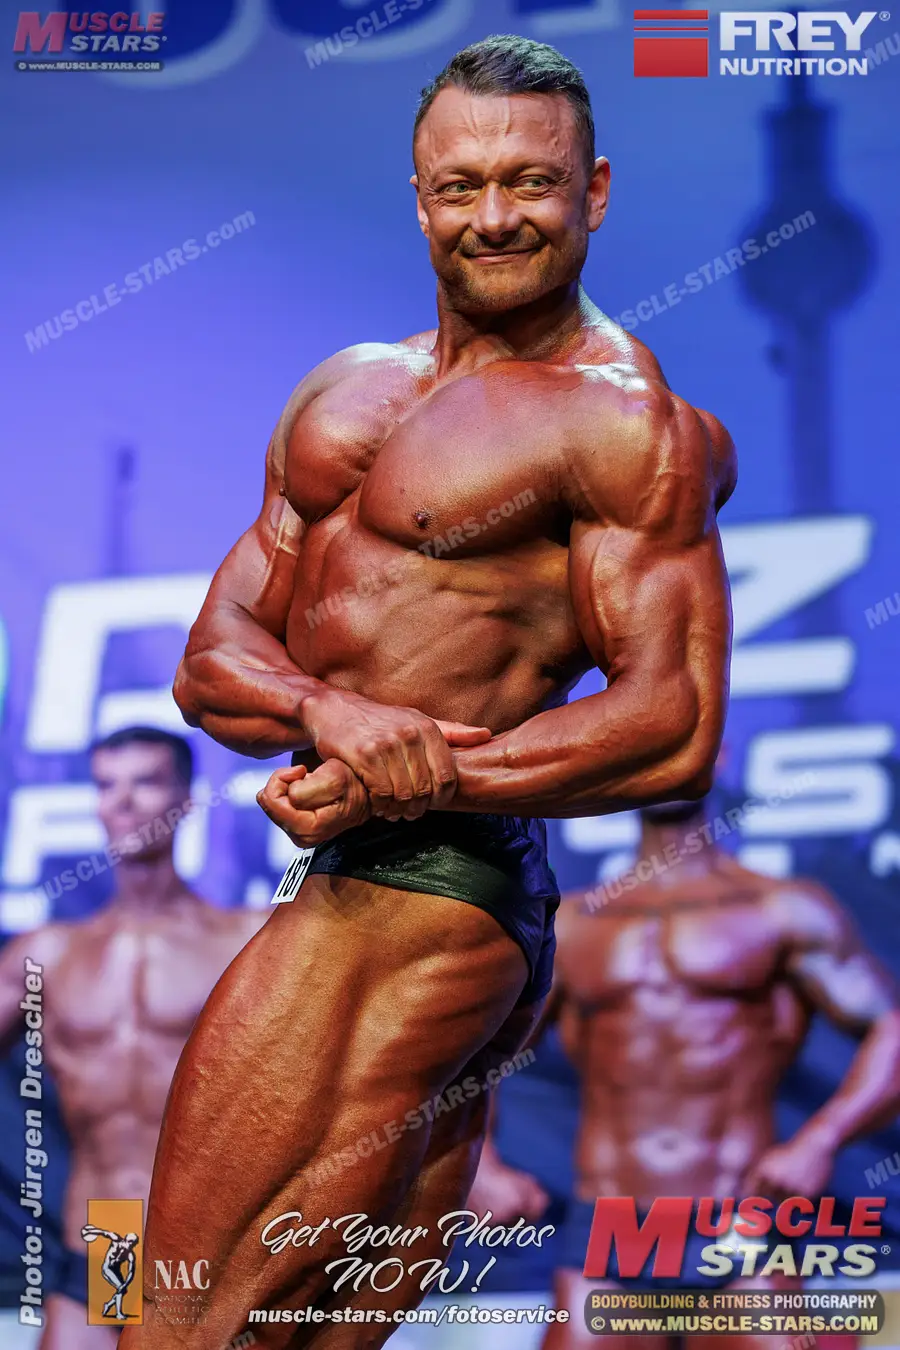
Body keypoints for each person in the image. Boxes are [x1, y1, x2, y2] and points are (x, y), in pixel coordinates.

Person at [124, 34, 736, 1348]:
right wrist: (330, 714)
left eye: (533, 182)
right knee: (290, 1336)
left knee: (184, 1321)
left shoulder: (617, 418)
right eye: (462, 186)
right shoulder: (348, 393)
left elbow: (674, 724)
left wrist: (422, 771)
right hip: (385, 889)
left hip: (422, 897)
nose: (495, 217)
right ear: (418, 198)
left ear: (596, 191)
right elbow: (211, 661)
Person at [472, 797, 900, 1350]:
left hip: (739, 1224)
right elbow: (486, 1053)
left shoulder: (779, 909)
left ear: (713, 756)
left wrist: (821, 1141)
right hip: (610, 1231)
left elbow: (892, 1030)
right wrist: (482, 1166)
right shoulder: (578, 923)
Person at [0, 727, 265, 1350]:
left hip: (206, 1244)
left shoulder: (245, 941)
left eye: (145, 782)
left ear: (185, 800)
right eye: (105, 785)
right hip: (108, 1237)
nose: (121, 801)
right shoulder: (48, 954)